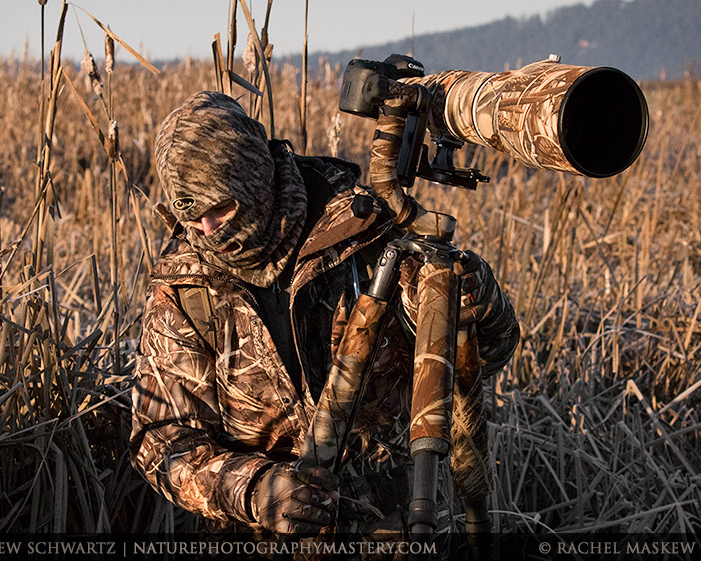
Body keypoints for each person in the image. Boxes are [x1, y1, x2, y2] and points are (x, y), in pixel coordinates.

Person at [130, 91, 519, 539]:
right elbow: (161, 440)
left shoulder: (366, 237)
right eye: (193, 218)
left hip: (401, 528)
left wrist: (476, 296)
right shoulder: (184, 290)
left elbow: (488, 352)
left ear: (257, 179)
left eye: (221, 209)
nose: (209, 232)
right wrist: (255, 490)